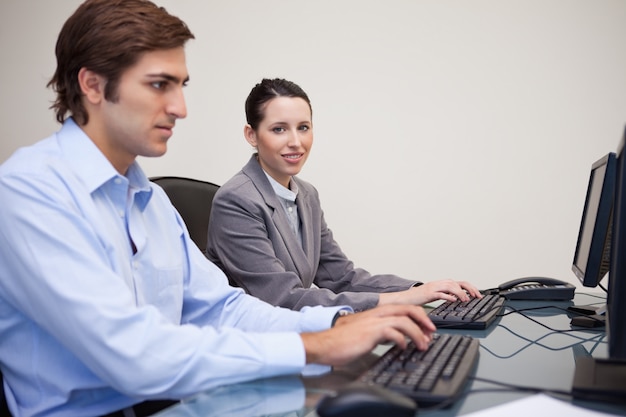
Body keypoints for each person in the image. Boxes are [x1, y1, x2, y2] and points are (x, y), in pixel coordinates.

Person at [0, 2, 437, 416]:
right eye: (159, 85)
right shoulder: (31, 192)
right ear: (92, 84)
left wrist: (337, 323)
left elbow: (223, 308)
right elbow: (134, 354)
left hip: (176, 403)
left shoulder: (149, 200)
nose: (180, 108)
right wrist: (316, 346)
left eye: (181, 86)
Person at [206, 78, 482, 312]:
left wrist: (422, 289)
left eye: (303, 127)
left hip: (297, 336)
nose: (296, 141)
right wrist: (403, 300)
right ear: (251, 135)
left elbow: (342, 277)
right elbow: (283, 299)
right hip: (251, 346)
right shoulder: (236, 200)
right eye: (279, 129)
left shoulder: (307, 195)